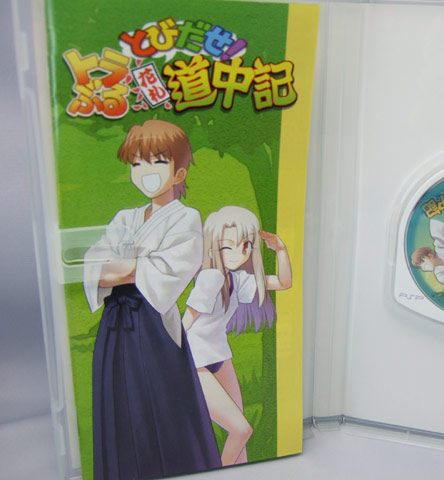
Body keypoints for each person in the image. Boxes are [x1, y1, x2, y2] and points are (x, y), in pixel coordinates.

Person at [83, 119, 221, 480]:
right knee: (118, 400)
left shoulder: (186, 217)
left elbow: (170, 270)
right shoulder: (124, 217)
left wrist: (125, 265)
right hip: (115, 322)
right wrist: (132, 265)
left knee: (160, 402)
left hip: (153, 323)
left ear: (179, 172)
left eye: (158, 161)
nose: (145, 171)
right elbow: (96, 267)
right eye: (137, 162)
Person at [182, 206, 292, 466]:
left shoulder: (238, 278)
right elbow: (187, 321)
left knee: (240, 435)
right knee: (241, 429)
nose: (239, 253)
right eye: (227, 246)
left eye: (245, 246)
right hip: (196, 360)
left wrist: (281, 250)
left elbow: (284, 283)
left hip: (220, 355)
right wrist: (168, 356)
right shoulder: (210, 277)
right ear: (213, 247)